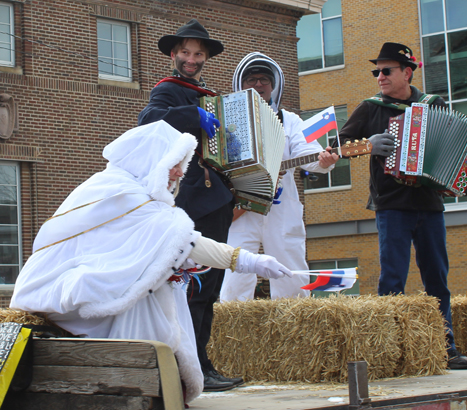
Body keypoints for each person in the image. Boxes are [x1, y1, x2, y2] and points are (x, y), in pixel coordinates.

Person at [9, 120, 293, 405]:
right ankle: (145, 387)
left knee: (156, 288)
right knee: (146, 301)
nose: (180, 172)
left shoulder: (106, 186)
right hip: (77, 301)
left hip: (57, 294)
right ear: (152, 160)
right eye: (174, 163)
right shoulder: (130, 197)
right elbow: (186, 242)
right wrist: (245, 260)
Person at [337, 42, 467, 370]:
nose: (379, 76)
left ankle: (445, 348)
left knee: (437, 277)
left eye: (386, 70)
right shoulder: (370, 108)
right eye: (376, 71)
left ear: (407, 72)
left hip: (430, 203)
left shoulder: (433, 105)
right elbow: (337, 146)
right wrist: (369, 145)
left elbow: (458, 146)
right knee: (392, 278)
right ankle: (390, 351)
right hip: (391, 204)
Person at [137, 19, 242, 391]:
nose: (191, 59)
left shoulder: (207, 94)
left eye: (198, 54)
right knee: (195, 285)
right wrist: (191, 116)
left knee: (210, 286)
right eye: (185, 52)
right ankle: (193, 368)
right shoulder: (169, 91)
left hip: (217, 198)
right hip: (192, 200)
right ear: (173, 55)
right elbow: (148, 122)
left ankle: (202, 362)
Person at [220, 53, 338, 302]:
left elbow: (309, 154)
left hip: (281, 207)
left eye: (265, 79)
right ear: (240, 84)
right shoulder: (226, 119)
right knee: (234, 275)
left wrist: (323, 161)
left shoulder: (290, 120)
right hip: (241, 207)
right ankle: (233, 333)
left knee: (290, 272)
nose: (259, 84)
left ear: (274, 86)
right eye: (251, 79)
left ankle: (295, 332)